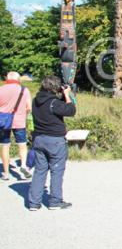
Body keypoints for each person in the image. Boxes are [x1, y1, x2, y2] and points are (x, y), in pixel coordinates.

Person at [28, 76, 76, 210]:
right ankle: (55, 201)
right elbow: (71, 110)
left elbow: (54, 105)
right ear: (55, 87)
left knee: (40, 170)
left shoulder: (36, 100)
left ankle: (34, 203)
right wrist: (67, 95)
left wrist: (61, 95)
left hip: (39, 139)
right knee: (57, 170)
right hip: (54, 140)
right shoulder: (53, 103)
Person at [0, 72, 32, 180]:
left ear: (7, 78)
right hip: (19, 121)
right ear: (18, 79)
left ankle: (6, 173)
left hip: (3, 122)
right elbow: (29, 107)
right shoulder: (24, 90)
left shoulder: (1, 89)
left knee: (5, 146)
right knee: (22, 145)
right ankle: (23, 167)